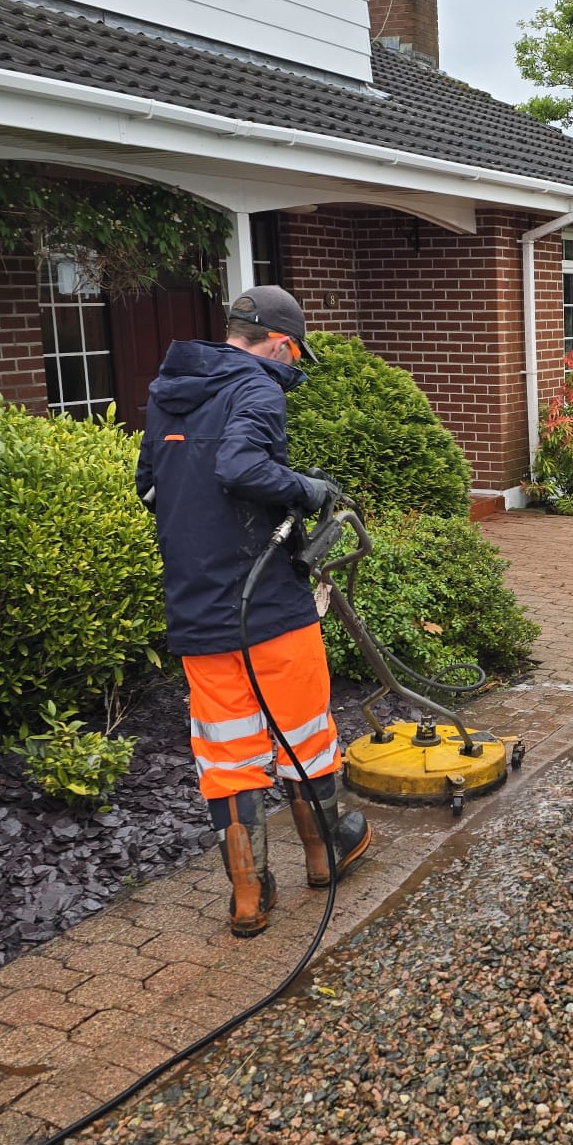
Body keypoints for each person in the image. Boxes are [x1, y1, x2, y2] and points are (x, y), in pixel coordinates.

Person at [135, 284, 372, 937]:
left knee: (229, 753)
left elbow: (150, 486)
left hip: (199, 611)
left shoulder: (168, 391)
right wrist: (308, 488)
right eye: (293, 354)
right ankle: (327, 853)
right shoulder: (258, 385)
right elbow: (241, 466)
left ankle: (248, 895)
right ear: (280, 342)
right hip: (266, 603)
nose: (291, 366)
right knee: (303, 735)